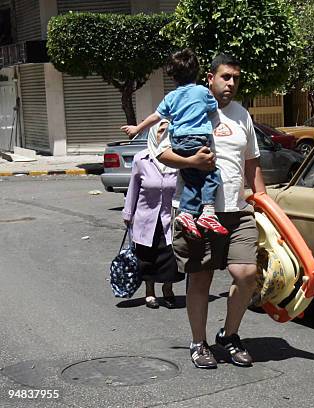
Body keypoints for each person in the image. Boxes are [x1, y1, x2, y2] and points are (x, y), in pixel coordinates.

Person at [151, 53, 266, 369]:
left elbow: (252, 162)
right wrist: (190, 162)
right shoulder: (184, 105)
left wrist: (265, 202)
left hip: (237, 210)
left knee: (246, 274)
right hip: (195, 211)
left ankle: (229, 335)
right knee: (199, 279)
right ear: (209, 78)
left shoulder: (242, 115)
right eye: (226, 76)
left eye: (236, 78)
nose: (231, 83)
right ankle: (198, 342)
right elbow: (159, 151)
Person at [122, 48, 227, 239]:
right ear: (197, 72)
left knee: (192, 179)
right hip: (197, 140)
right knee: (212, 173)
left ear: (173, 77)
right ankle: (208, 212)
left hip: (178, 142)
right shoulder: (202, 91)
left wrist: (137, 129)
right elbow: (214, 108)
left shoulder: (170, 97)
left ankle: (187, 213)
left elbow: (156, 116)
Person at [122, 120, 183, 309]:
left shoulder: (179, 159)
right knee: (147, 256)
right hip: (146, 218)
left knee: (171, 257)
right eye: (161, 130)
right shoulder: (141, 159)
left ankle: (168, 289)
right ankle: (150, 292)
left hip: (171, 218)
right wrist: (128, 213)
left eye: (169, 131)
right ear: (153, 133)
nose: (165, 134)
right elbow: (133, 187)